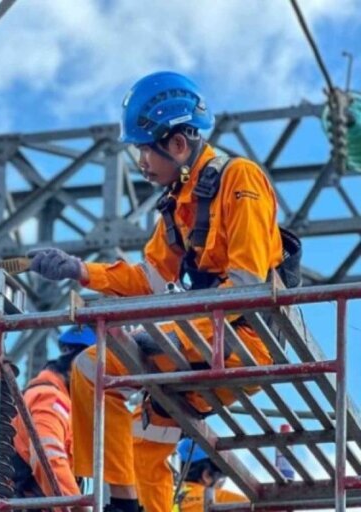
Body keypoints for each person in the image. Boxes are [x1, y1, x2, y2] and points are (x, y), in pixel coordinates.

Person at [28, 71, 288, 512]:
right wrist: (79, 270)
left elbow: (247, 285)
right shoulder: (178, 205)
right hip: (208, 339)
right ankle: (132, 503)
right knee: (144, 444)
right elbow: (147, 279)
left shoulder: (238, 180)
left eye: (144, 151)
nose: (141, 163)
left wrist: (160, 333)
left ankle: (121, 503)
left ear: (178, 145)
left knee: (93, 366)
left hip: (246, 338)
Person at [12, 325, 96, 512]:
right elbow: (48, 456)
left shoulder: (61, 400)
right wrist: (76, 507)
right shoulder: (51, 398)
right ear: (78, 364)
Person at [172, 438, 247, 511]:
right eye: (220, 478)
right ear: (206, 476)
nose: (221, 486)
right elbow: (253, 506)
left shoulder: (169, 496)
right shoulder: (218, 498)